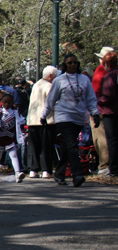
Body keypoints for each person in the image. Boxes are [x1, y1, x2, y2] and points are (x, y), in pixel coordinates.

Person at [41, 53, 99, 187]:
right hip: (63, 116)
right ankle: (78, 175)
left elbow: (90, 98)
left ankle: (59, 173)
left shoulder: (84, 79)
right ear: (65, 65)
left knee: (69, 146)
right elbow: (51, 100)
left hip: (78, 117)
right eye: (69, 63)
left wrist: (95, 113)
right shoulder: (59, 80)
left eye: (75, 62)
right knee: (72, 145)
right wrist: (44, 115)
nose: (72, 65)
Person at [26, 66, 58, 178]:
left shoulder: (36, 85)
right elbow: (52, 102)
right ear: (50, 76)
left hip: (32, 120)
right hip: (47, 121)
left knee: (34, 146)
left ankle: (33, 169)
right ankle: (46, 170)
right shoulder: (49, 86)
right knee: (46, 147)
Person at [0, 92, 25, 183]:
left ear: (12, 103)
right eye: (5, 102)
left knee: (14, 155)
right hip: (0, 138)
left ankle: (17, 173)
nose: (7, 104)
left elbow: (20, 123)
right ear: (2, 102)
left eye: (9, 102)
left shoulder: (15, 112)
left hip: (10, 138)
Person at [91, 47, 113, 174]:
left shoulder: (101, 69)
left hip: (100, 107)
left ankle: (104, 165)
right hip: (112, 108)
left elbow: (95, 88)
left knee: (100, 137)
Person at [96, 50, 118, 177]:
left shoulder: (109, 77)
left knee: (112, 140)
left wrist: (97, 101)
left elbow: (107, 96)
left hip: (110, 111)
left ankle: (114, 169)